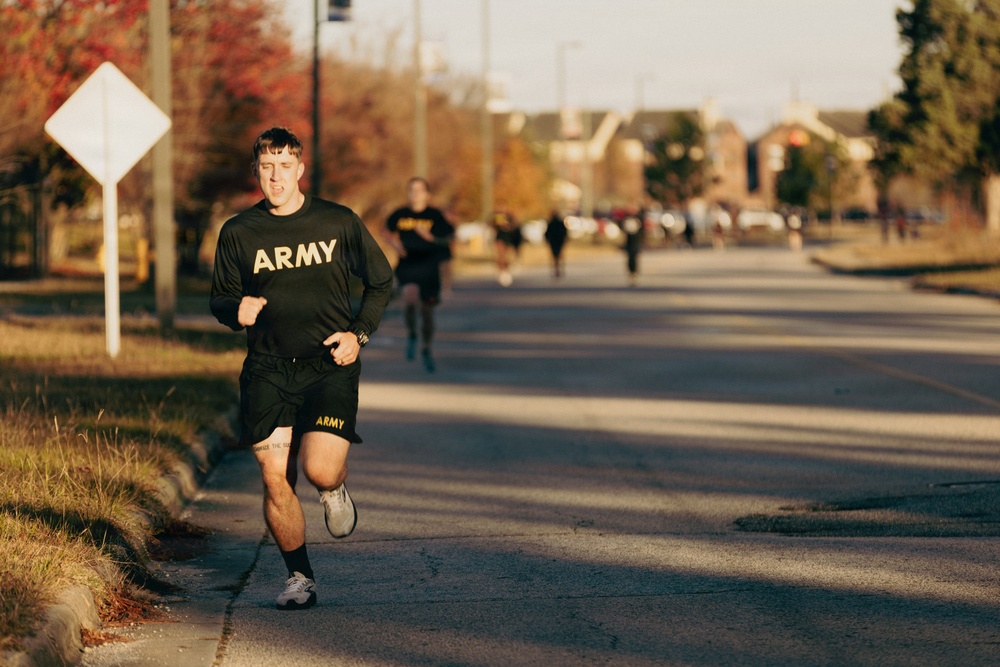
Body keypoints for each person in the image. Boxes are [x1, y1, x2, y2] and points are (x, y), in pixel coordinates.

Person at [210, 127, 393, 611]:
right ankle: (299, 577)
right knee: (274, 476)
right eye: (267, 167)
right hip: (268, 368)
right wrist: (236, 311)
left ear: (300, 169)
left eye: (285, 166)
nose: (276, 176)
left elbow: (380, 282)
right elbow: (221, 298)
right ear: (256, 172)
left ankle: (332, 488)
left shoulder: (338, 222)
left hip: (329, 363)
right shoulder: (238, 232)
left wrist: (358, 335)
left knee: (318, 468)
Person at [384, 177, 454, 372]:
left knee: (427, 310)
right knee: (409, 297)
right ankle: (412, 333)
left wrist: (430, 237)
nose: (415, 194)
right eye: (411, 190)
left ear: (427, 194)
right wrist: (394, 244)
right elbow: (386, 231)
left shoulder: (435, 215)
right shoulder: (400, 214)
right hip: (408, 264)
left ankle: (426, 346)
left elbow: (448, 238)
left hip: (429, 266)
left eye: (419, 190)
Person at [492, 208, 521, 286]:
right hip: (500, 238)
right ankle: (501, 271)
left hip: (508, 238)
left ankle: (506, 271)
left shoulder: (509, 217)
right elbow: (491, 226)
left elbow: (515, 225)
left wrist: (508, 226)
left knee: (507, 256)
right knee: (500, 256)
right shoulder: (496, 216)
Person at [621, 208, 644, 285]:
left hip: (636, 243)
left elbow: (642, 231)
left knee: (635, 258)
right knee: (630, 259)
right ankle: (631, 273)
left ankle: (634, 273)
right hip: (629, 243)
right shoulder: (626, 220)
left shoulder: (638, 219)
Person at [544, 209, 568, 278]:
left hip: (554, 242)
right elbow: (565, 232)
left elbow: (547, 234)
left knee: (555, 256)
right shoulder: (558, 223)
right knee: (559, 256)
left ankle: (557, 269)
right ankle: (559, 269)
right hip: (558, 242)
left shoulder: (551, 223)